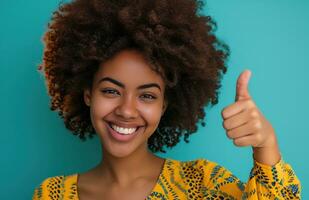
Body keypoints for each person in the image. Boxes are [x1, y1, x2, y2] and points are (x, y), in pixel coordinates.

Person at [32, 0, 301, 199]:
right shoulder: (51, 194)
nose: (126, 110)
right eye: (111, 91)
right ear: (88, 94)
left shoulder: (201, 183)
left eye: (147, 95)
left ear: (164, 105)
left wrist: (266, 145)